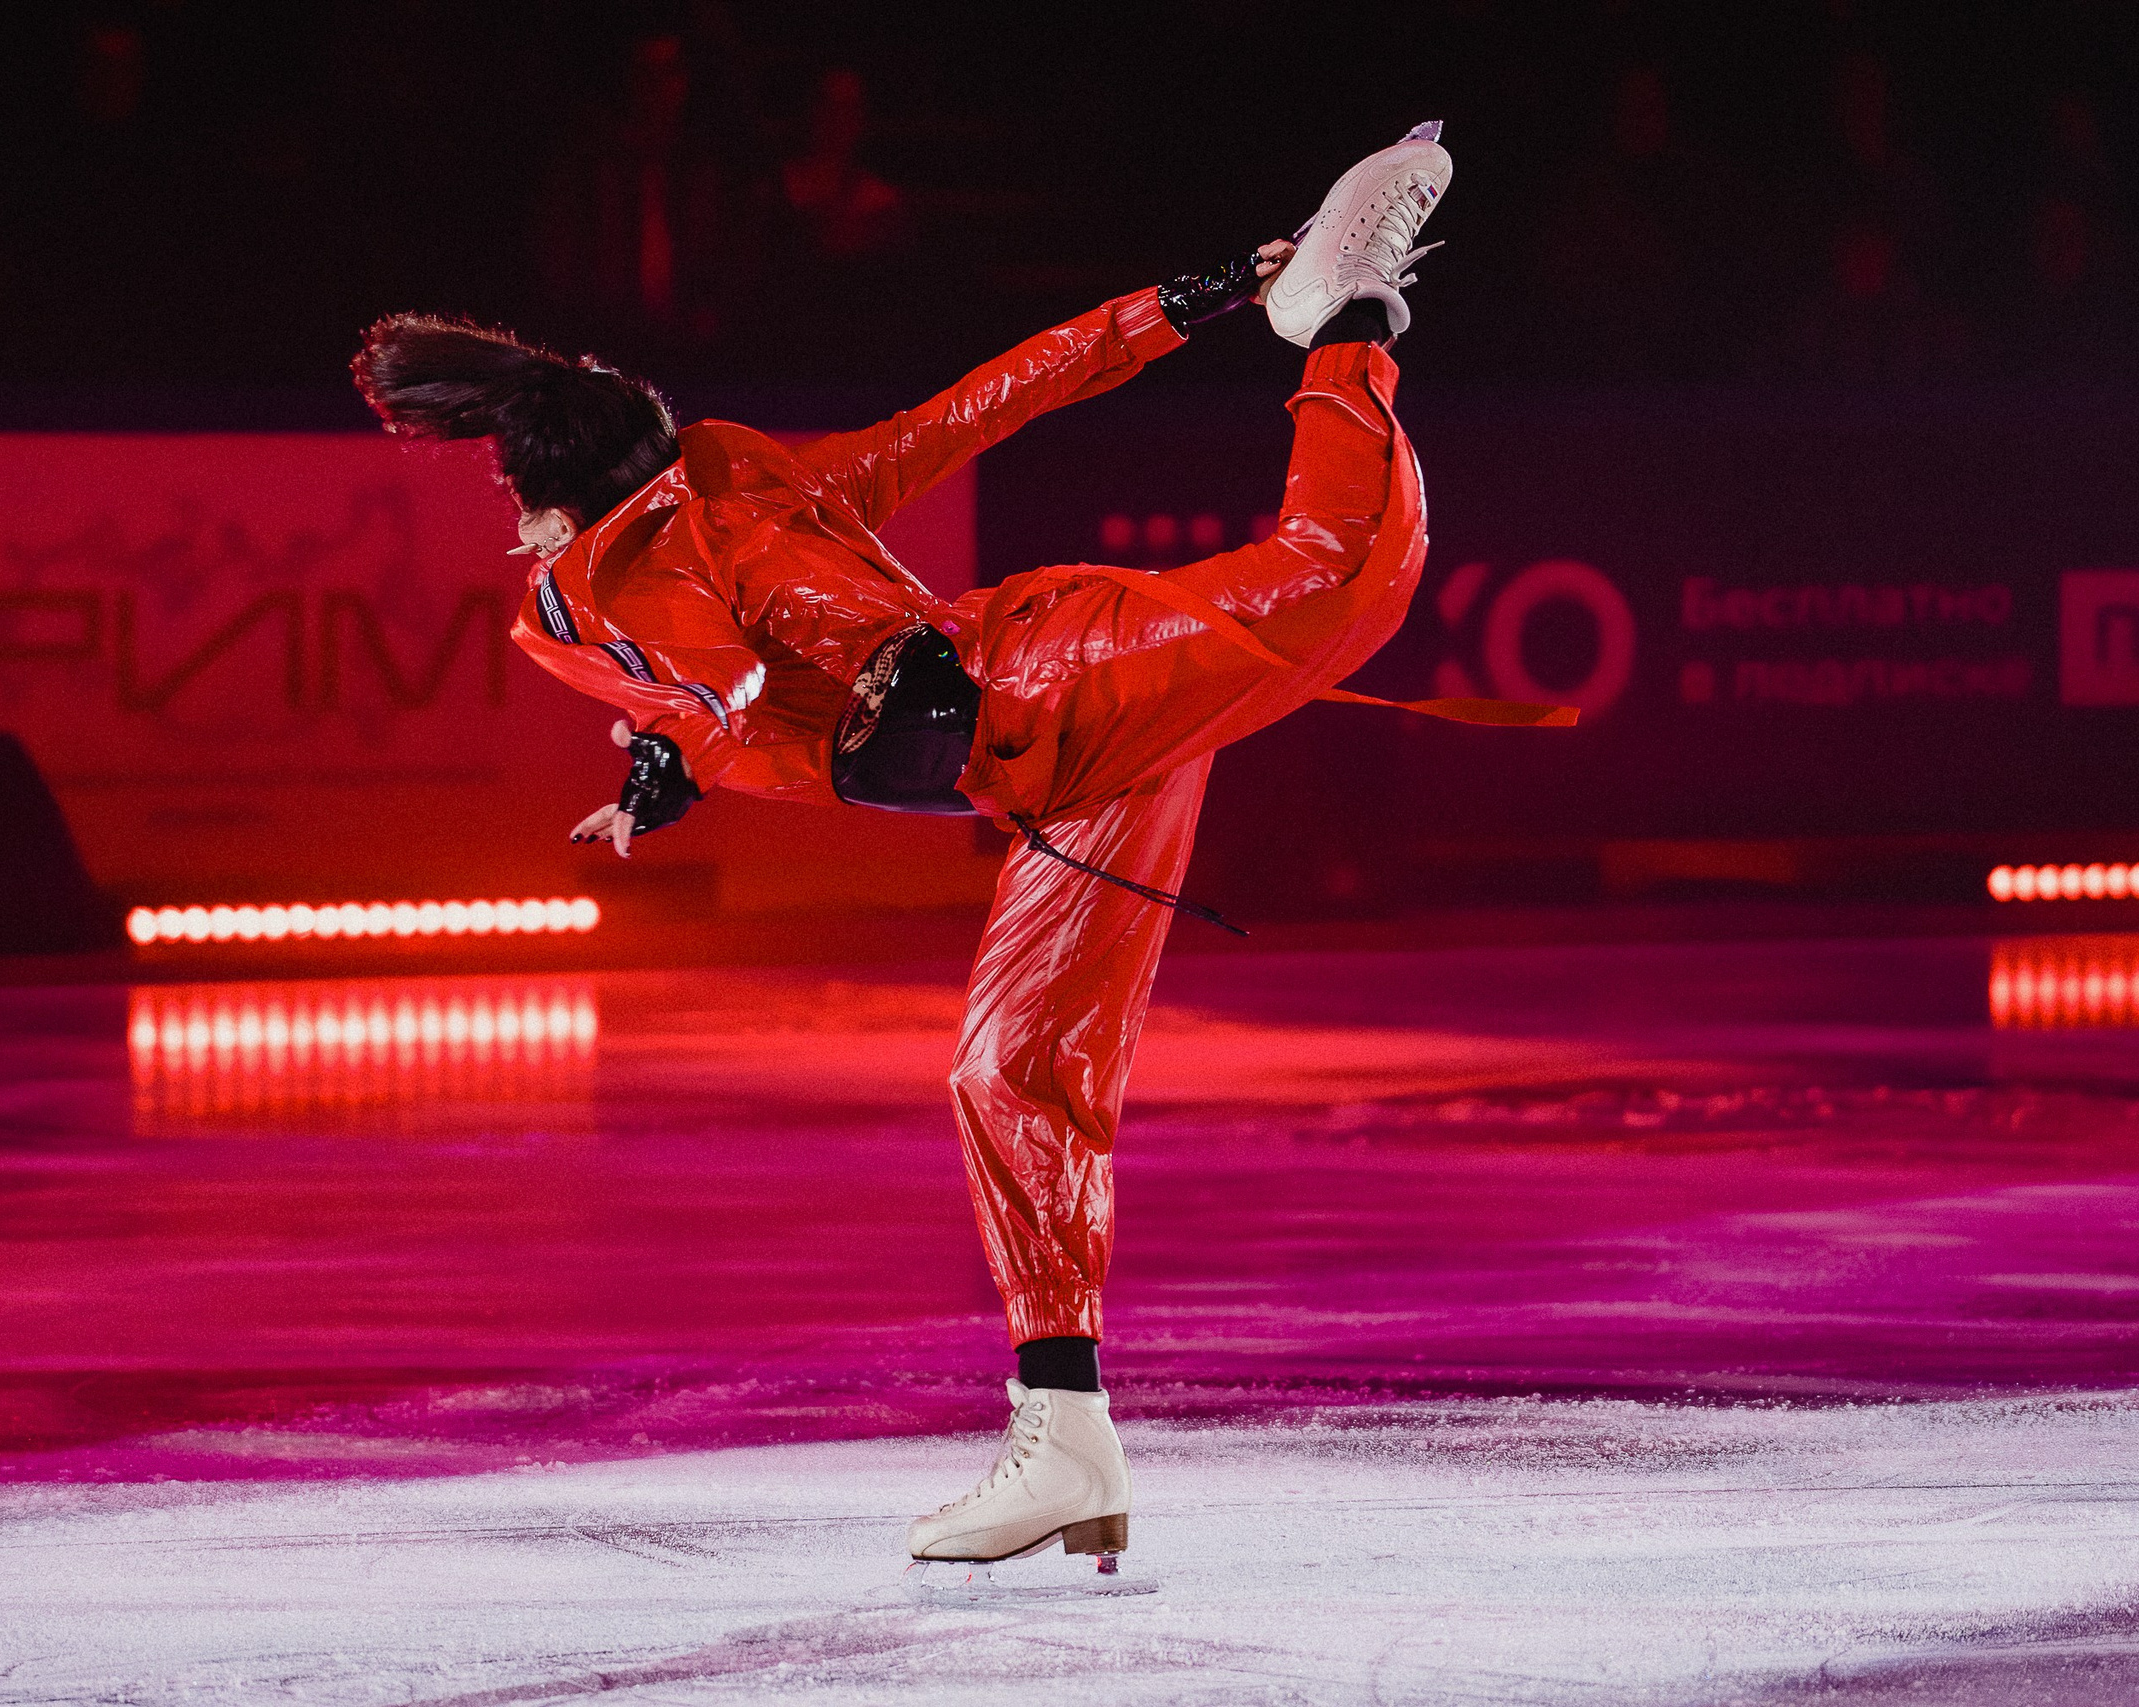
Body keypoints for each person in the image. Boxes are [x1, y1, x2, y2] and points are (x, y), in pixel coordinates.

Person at [353, 124, 1568, 1576]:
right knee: (1006, 1071)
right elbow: (977, 408)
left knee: (1338, 573)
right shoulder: (738, 504)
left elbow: (712, 681)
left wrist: (669, 744)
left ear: (553, 510)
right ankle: (1064, 1437)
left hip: (1048, 688)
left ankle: (1349, 317)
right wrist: (1180, 301)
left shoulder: (615, 573)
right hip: (1055, 776)